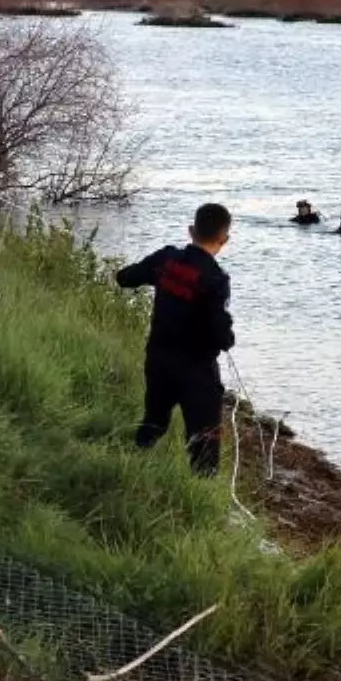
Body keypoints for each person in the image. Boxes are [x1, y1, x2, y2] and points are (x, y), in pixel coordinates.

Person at [115, 203, 235, 476]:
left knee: (154, 421)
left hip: (158, 360)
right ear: (224, 240)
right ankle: (202, 494)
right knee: (205, 438)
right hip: (197, 370)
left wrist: (121, 274)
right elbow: (220, 333)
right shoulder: (216, 278)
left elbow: (127, 278)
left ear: (191, 230)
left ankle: (133, 466)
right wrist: (228, 336)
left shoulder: (165, 259)